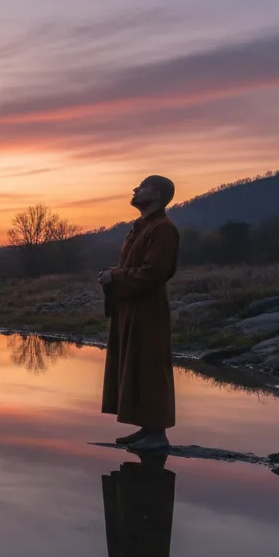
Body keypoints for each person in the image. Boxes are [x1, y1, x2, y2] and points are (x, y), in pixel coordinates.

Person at [98, 176, 180, 451]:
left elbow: (154, 273)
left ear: (156, 194)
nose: (135, 189)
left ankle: (158, 435)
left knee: (151, 367)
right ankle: (148, 428)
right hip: (132, 307)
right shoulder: (142, 228)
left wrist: (116, 276)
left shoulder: (163, 229)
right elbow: (138, 267)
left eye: (141, 186)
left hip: (148, 309)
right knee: (137, 366)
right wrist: (113, 275)